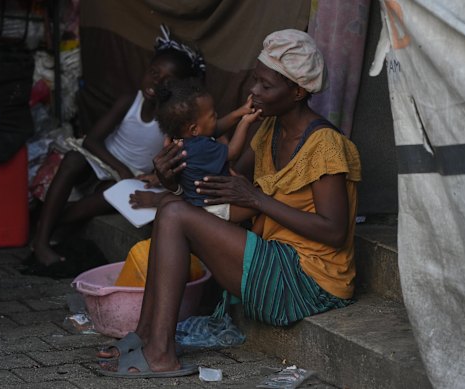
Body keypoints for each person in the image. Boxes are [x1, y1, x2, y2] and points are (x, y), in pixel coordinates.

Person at [97, 29, 362, 378]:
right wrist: (173, 181)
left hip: (310, 282)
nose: (254, 91)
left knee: (175, 213)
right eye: (255, 80)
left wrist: (258, 199)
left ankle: (160, 354)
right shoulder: (270, 130)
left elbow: (334, 230)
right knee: (171, 209)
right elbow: (223, 185)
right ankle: (147, 336)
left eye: (266, 86)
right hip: (275, 258)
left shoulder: (326, 145)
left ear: (297, 91)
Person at [30, 25, 207, 266]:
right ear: (146, 69)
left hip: (135, 176)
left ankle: (48, 221)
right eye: (154, 73)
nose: (157, 82)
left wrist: (143, 177)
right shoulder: (129, 101)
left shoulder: (172, 121)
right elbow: (92, 140)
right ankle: (41, 242)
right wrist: (120, 169)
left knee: (109, 196)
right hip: (106, 161)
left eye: (168, 81)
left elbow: (173, 159)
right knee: (73, 159)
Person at [129, 77, 262, 222]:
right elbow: (233, 151)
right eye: (212, 115)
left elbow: (216, 127)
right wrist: (245, 122)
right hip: (215, 207)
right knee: (261, 205)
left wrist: (240, 112)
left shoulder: (182, 141)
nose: (216, 116)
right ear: (194, 129)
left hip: (194, 201)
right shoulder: (201, 147)